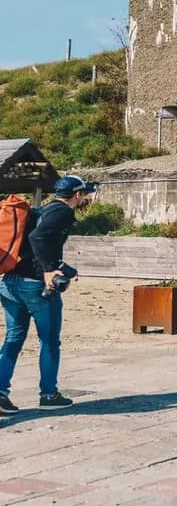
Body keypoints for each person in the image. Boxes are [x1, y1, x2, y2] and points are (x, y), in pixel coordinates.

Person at [0, 175, 96, 414]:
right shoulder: (63, 212)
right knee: (49, 340)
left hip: (10, 282)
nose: (84, 198)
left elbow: (34, 240)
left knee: (13, 339)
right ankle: (49, 394)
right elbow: (38, 238)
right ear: (77, 195)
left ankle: (1, 394)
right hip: (34, 286)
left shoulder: (40, 210)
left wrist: (61, 266)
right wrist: (49, 269)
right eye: (84, 194)